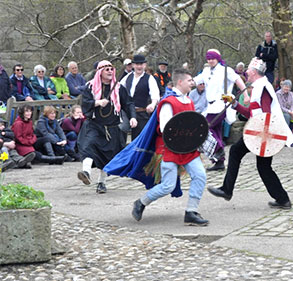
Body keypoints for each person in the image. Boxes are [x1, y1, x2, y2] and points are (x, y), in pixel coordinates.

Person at [207, 57, 293, 209]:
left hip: (265, 133)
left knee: (246, 157)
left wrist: (259, 135)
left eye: (248, 70)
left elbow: (266, 114)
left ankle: (228, 190)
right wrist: (234, 104)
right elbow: (252, 113)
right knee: (259, 164)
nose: (246, 72)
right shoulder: (258, 87)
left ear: (254, 72)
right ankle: (282, 199)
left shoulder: (263, 87)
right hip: (262, 132)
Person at [130, 69, 209, 226]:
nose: (192, 83)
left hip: (188, 148)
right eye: (189, 80)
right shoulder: (168, 102)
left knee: (200, 175)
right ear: (180, 82)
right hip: (170, 148)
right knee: (168, 186)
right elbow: (167, 129)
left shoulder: (189, 101)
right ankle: (141, 202)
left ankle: (191, 212)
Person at [77, 60, 137, 194]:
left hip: (112, 127)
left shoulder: (119, 88)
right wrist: (97, 102)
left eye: (111, 69)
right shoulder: (90, 87)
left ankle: (101, 182)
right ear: (99, 72)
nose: (110, 71)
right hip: (94, 125)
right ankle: (86, 172)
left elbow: (128, 103)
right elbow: (84, 103)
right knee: (89, 147)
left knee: (107, 157)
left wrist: (132, 117)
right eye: (106, 69)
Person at [194, 49, 249, 171]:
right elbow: (196, 80)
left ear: (217, 58)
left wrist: (245, 95)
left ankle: (218, 152)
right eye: (208, 58)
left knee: (207, 127)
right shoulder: (206, 70)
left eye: (212, 58)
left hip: (222, 104)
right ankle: (219, 162)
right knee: (217, 132)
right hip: (210, 106)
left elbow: (238, 80)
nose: (210, 60)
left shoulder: (226, 70)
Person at [120, 54, 160, 140]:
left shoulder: (150, 78)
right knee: (121, 132)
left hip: (141, 113)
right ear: (133, 65)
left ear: (145, 65)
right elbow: (118, 89)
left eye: (141, 64)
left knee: (139, 139)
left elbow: (155, 94)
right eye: (137, 64)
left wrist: (152, 105)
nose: (139, 66)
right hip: (127, 113)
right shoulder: (127, 77)